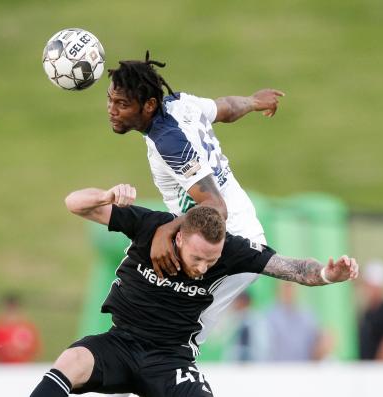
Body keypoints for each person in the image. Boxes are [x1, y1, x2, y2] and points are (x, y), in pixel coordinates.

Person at [29, 183, 358, 397]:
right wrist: (106, 197)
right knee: (71, 360)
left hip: (170, 358)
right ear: (180, 237)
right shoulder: (150, 227)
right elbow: (73, 203)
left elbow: (295, 269)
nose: (203, 267)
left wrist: (329, 273)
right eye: (197, 258)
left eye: (210, 260)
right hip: (120, 343)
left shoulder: (233, 251)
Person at [106, 52, 284, 342]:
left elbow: (215, 206)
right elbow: (225, 108)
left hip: (222, 245)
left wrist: (167, 229)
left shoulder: (170, 143)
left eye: (122, 104)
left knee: (168, 343)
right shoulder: (180, 103)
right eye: (111, 100)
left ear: (149, 105)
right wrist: (253, 101)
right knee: (155, 337)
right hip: (229, 236)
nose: (112, 110)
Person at [264, 281, 330, 361]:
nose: (289, 291)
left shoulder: (307, 315)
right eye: (286, 286)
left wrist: (323, 343)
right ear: (277, 290)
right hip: (278, 369)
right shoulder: (269, 317)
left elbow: (316, 346)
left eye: (292, 286)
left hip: (304, 369)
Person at [0, 293, 41, 363]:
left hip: (22, 367)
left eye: (13, 307)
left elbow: (35, 348)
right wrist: (4, 349)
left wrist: (19, 350)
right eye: (9, 308)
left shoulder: (27, 327)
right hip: (2, 367)